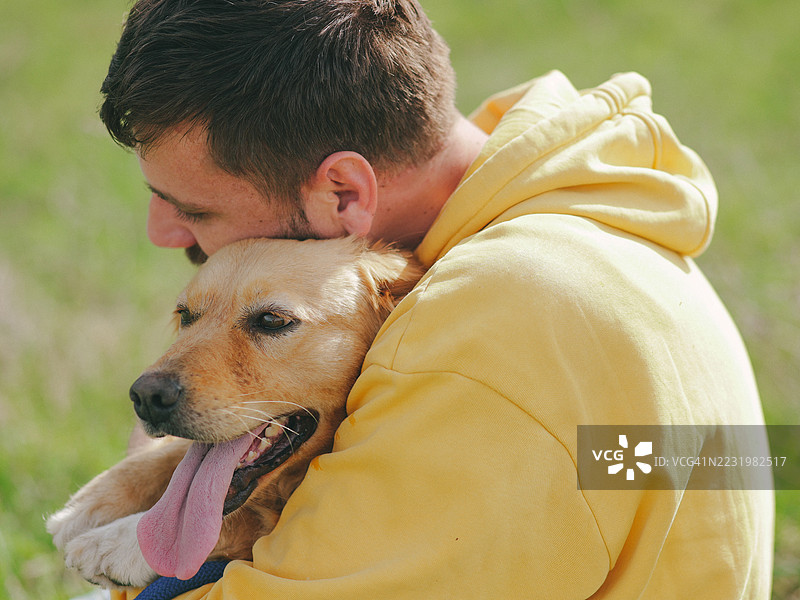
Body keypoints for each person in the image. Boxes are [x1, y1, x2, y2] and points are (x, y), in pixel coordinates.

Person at [98, 0, 773, 598]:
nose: (164, 234)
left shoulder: (491, 320)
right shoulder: (582, 218)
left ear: (343, 193)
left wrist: (153, 485)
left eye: (195, 209)